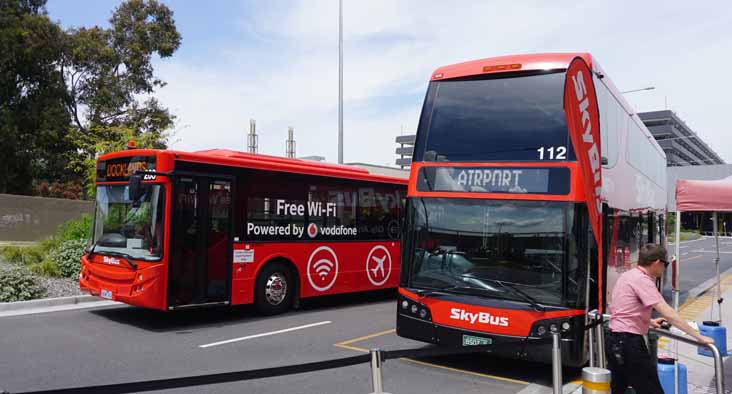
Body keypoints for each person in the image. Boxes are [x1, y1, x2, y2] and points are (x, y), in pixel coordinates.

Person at [606, 243, 714, 394]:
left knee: (618, 389)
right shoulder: (642, 280)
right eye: (666, 264)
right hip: (629, 344)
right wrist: (698, 337)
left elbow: (619, 308)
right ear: (657, 262)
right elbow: (668, 313)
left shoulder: (628, 275)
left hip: (613, 340)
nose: (665, 268)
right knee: (651, 390)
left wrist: (648, 321)